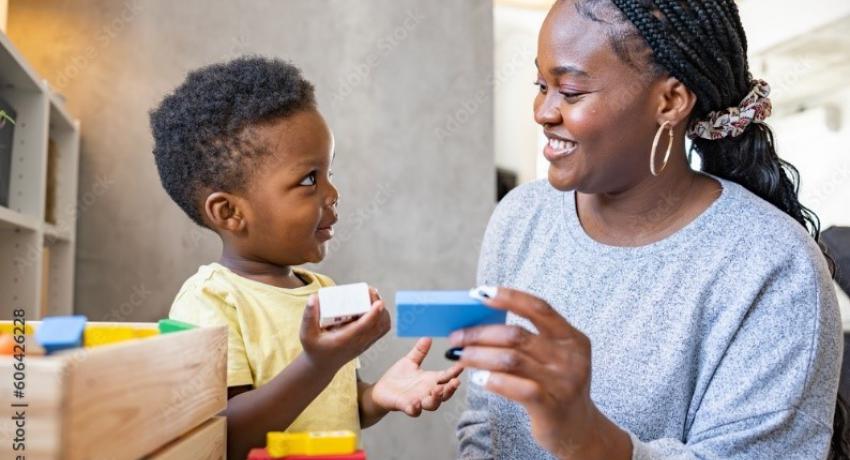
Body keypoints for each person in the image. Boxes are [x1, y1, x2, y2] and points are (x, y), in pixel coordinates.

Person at [455, 1, 849, 458]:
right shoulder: (519, 219)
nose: (544, 111)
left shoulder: (774, 265)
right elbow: (485, 418)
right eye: (541, 85)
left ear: (670, 101)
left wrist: (590, 438)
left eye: (571, 90)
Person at [149, 56, 462, 459]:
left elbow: (332, 404)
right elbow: (229, 434)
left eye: (329, 173)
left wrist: (376, 397)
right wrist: (320, 363)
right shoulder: (210, 301)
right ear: (230, 213)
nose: (331, 194)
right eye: (309, 180)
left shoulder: (321, 291)